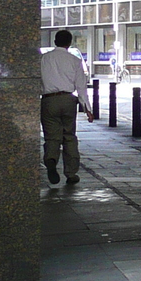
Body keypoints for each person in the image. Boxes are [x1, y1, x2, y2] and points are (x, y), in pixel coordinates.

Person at [40, 29, 92, 186]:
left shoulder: (43, 59)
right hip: (69, 100)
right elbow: (81, 87)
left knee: (52, 136)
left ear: (55, 41)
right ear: (69, 43)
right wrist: (87, 109)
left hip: (49, 100)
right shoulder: (75, 61)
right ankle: (71, 173)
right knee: (69, 136)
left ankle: (51, 159)